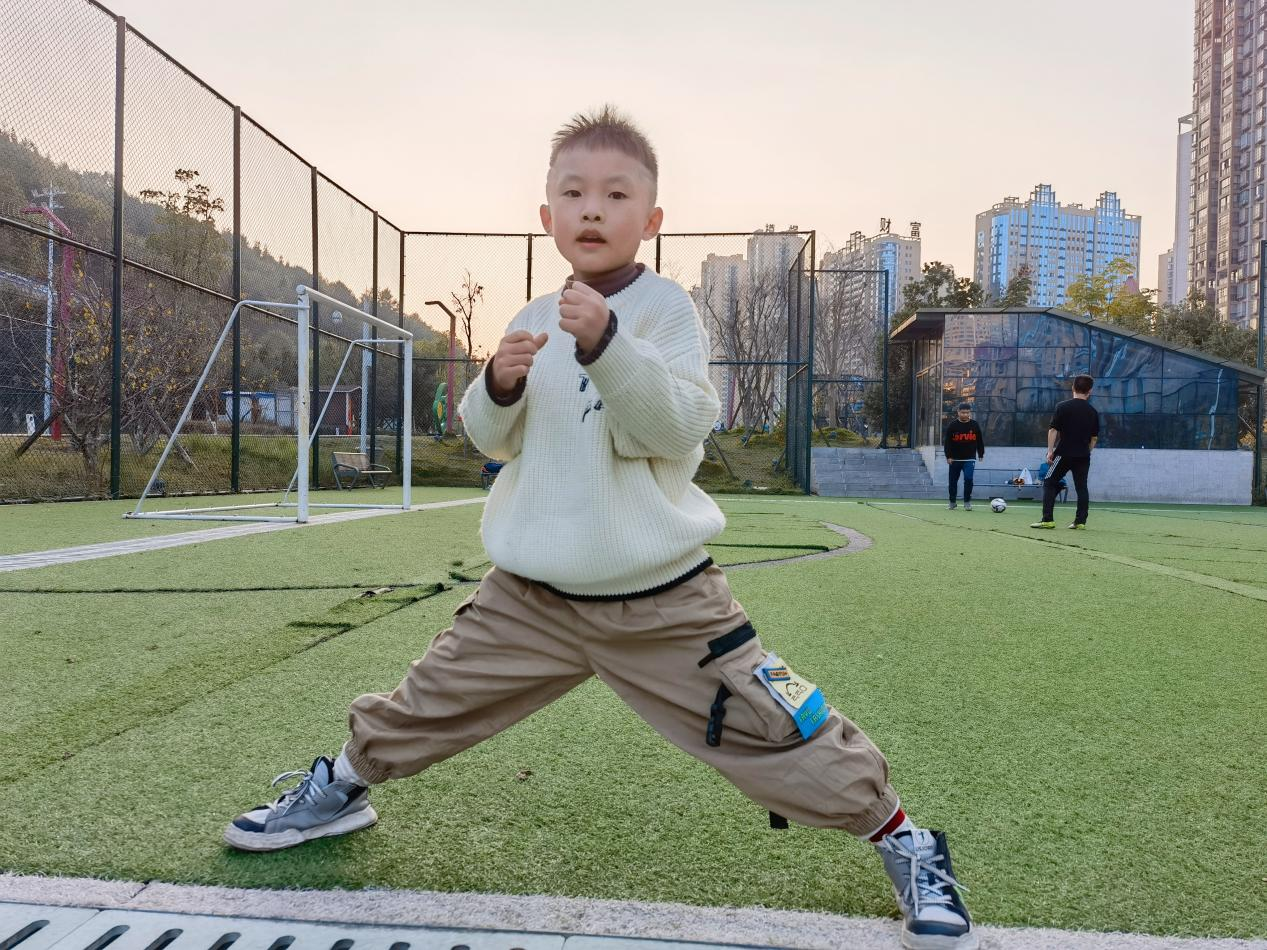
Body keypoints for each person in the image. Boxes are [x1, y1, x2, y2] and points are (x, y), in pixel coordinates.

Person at [223, 107, 976, 950]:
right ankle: (341, 789)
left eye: (616, 195)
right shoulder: (534, 311)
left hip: (660, 601)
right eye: (574, 193)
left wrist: (610, 346)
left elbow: (675, 429)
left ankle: (905, 840)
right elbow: (492, 440)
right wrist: (496, 386)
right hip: (530, 598)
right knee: (428, 698)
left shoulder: (666, 311)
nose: (592, 208)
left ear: (650, 220)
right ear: (547, 215)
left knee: (772, 720)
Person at [1030, 374, 1099, 530]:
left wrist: (1050, 451)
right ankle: (1080, 522)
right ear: (1090, 391)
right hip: (1083, 456)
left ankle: (1047, 520)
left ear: (1073, 387)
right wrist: (1086, 451)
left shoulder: (1062, 407)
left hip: (1064, 453)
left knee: (1049, 481)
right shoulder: (1093, 412)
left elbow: (1053, 430)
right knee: (1082, 487)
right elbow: (1094, 438)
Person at [942, 402, 985, 510]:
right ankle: (952, 502)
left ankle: (967, 502)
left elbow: (980, 440)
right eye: (963, 412)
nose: (965, 415)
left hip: (969, 458)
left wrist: (981, 453)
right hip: (955, 459)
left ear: (969, 412)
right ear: (958, 412)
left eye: (967, 413)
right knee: (952, 481)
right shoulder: (952, 425)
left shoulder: (974, 425)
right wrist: (948, 456)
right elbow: (947, 442)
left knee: (969, 479)